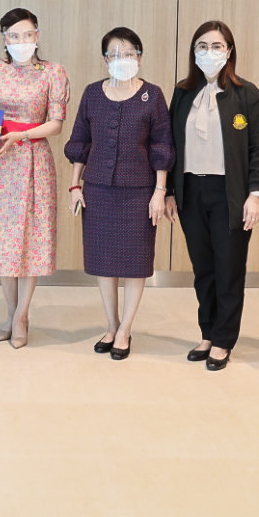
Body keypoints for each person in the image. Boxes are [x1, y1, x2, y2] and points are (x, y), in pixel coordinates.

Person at [164, 20, 259, 370]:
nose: (209, 53)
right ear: (193, 52)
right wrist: (168, 192)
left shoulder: (248, 95)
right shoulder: (182, 93)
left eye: (217, 46)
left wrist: (255, 194)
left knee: (229, 269)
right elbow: (169, 145)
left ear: (229, 51)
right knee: (204, 269)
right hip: (191, 190)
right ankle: (208, 333)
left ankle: (224, 339)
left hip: (231, 193)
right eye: (202, 46)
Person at [65, 27, 174, 360]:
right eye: (114, 54)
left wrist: (159, 191)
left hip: (139, 192)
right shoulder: (92, 93)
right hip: (98, 190)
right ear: (105, 59)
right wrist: (75, 185)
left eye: (128, 53)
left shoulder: (152, 95)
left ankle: (125, 329)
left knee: (135, 264)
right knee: (104, 263)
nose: (121, 59)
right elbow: (80, 142)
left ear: (139, 56)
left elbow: (162, 146)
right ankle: (111, 326)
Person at [0, 8, 69, 349]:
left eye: (27, 34)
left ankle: (23, 314)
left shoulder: (52, 72)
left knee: (31, 238)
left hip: (33, 159)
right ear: (4, 39)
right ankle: (10, 313)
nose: (21, 41)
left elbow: (56, 124)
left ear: (37, 35)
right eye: (13, 36)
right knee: (3, 239)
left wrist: (21, 135)